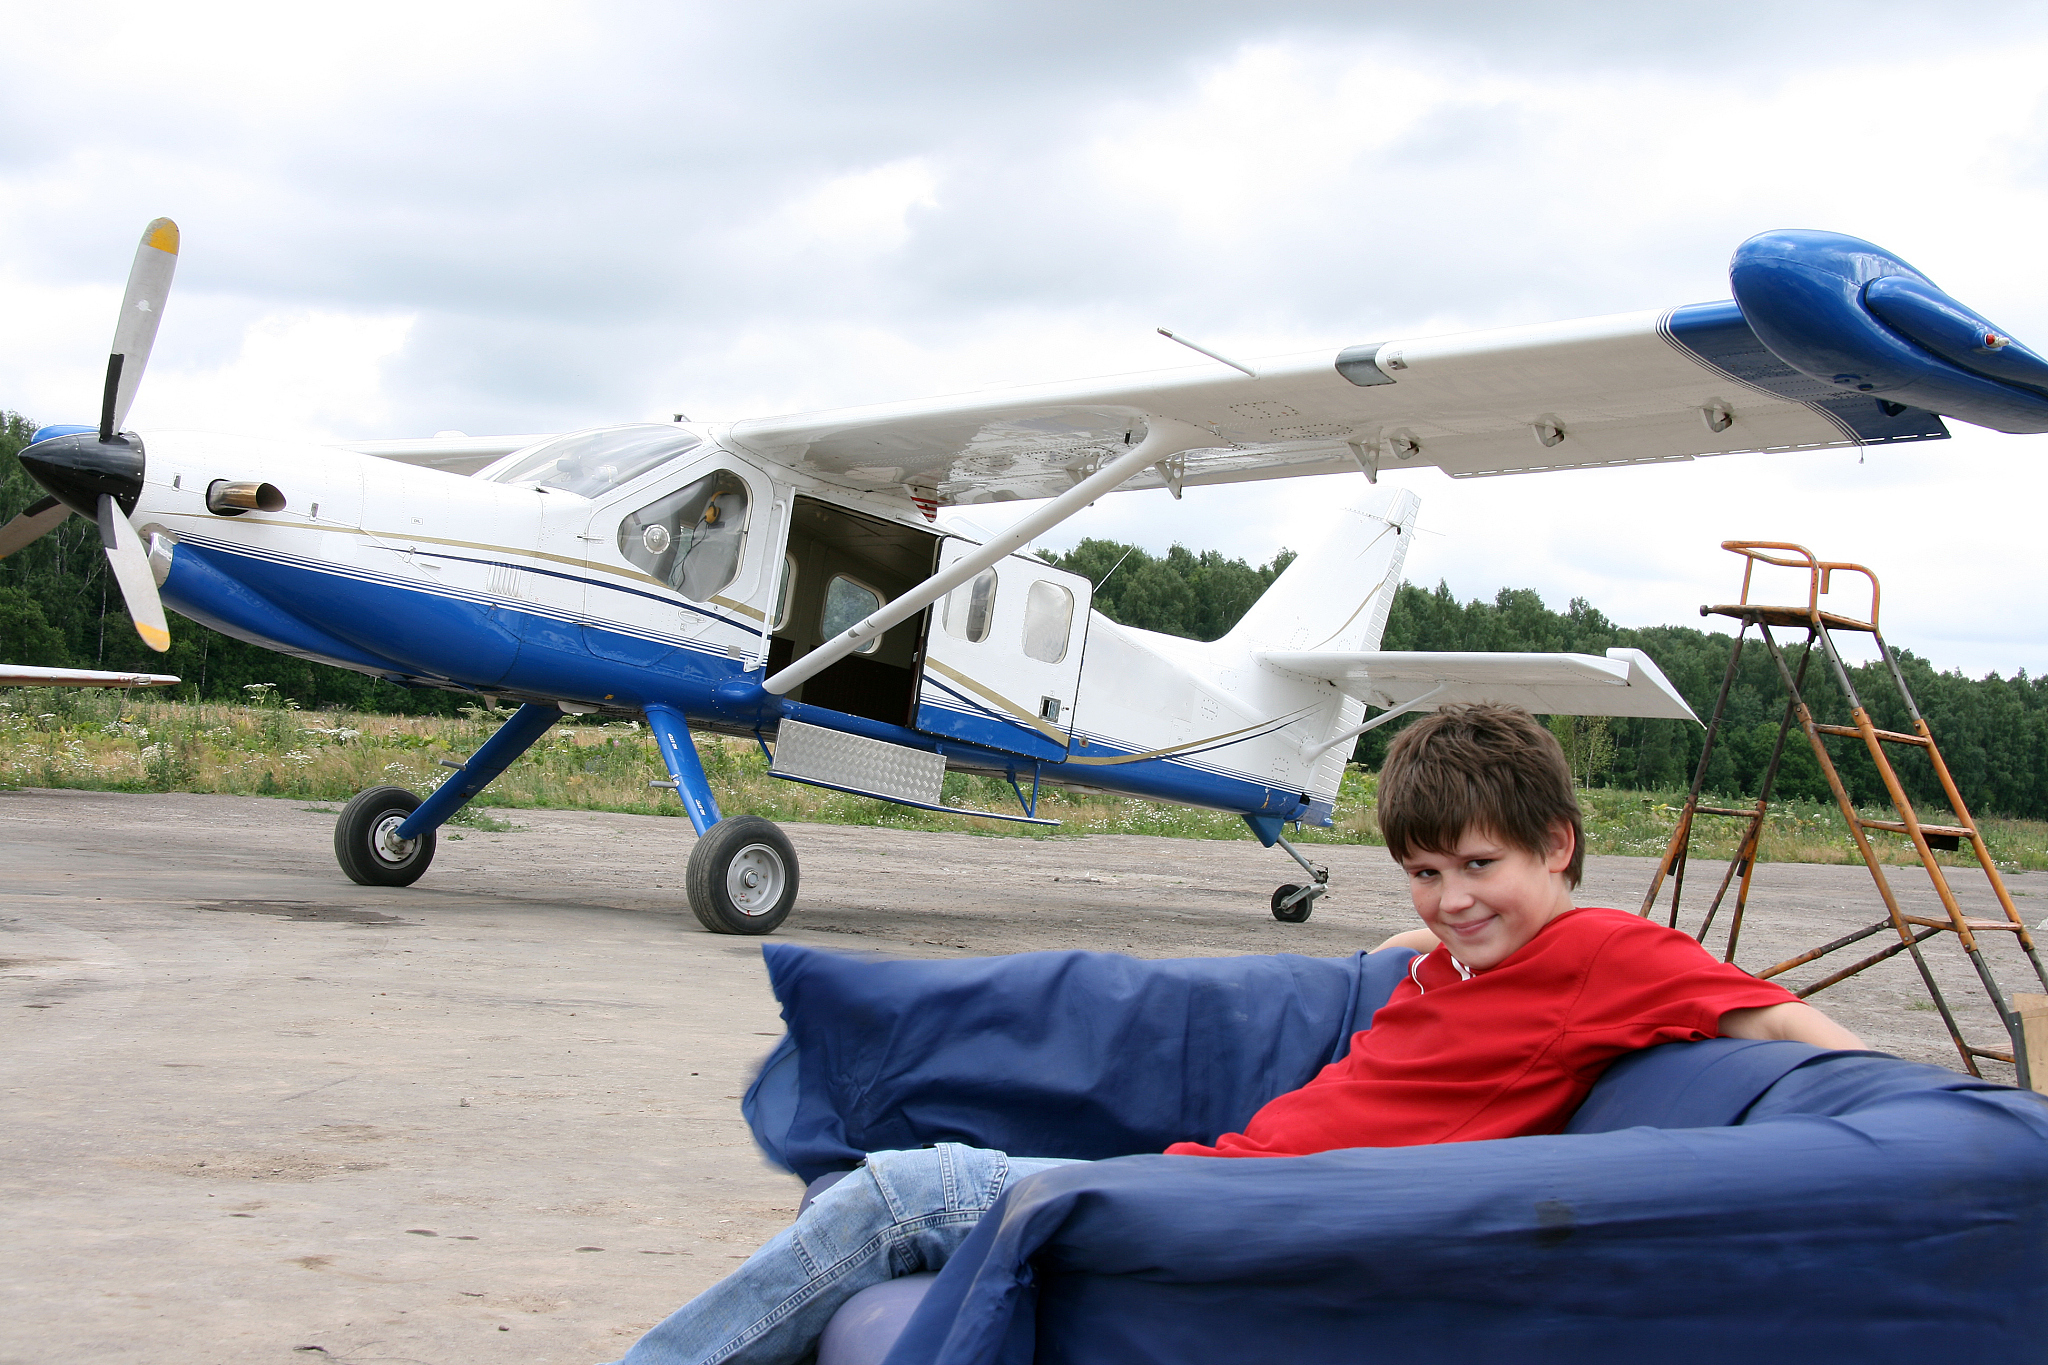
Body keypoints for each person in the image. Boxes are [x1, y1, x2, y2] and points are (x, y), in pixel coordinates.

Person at [609, 703, 1862, 1365]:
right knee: (870, 1208)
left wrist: (1905, 1108)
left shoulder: (1603, 953)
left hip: (1236, 1218)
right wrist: (1411, 943)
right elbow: (1407, 955)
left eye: (1477, 866)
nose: (1450, 898)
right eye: (1423, 871)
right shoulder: (1455, 956)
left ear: (1559, 848)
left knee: (887, 1201)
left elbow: (1789, 1027)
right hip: (1217, 1182)